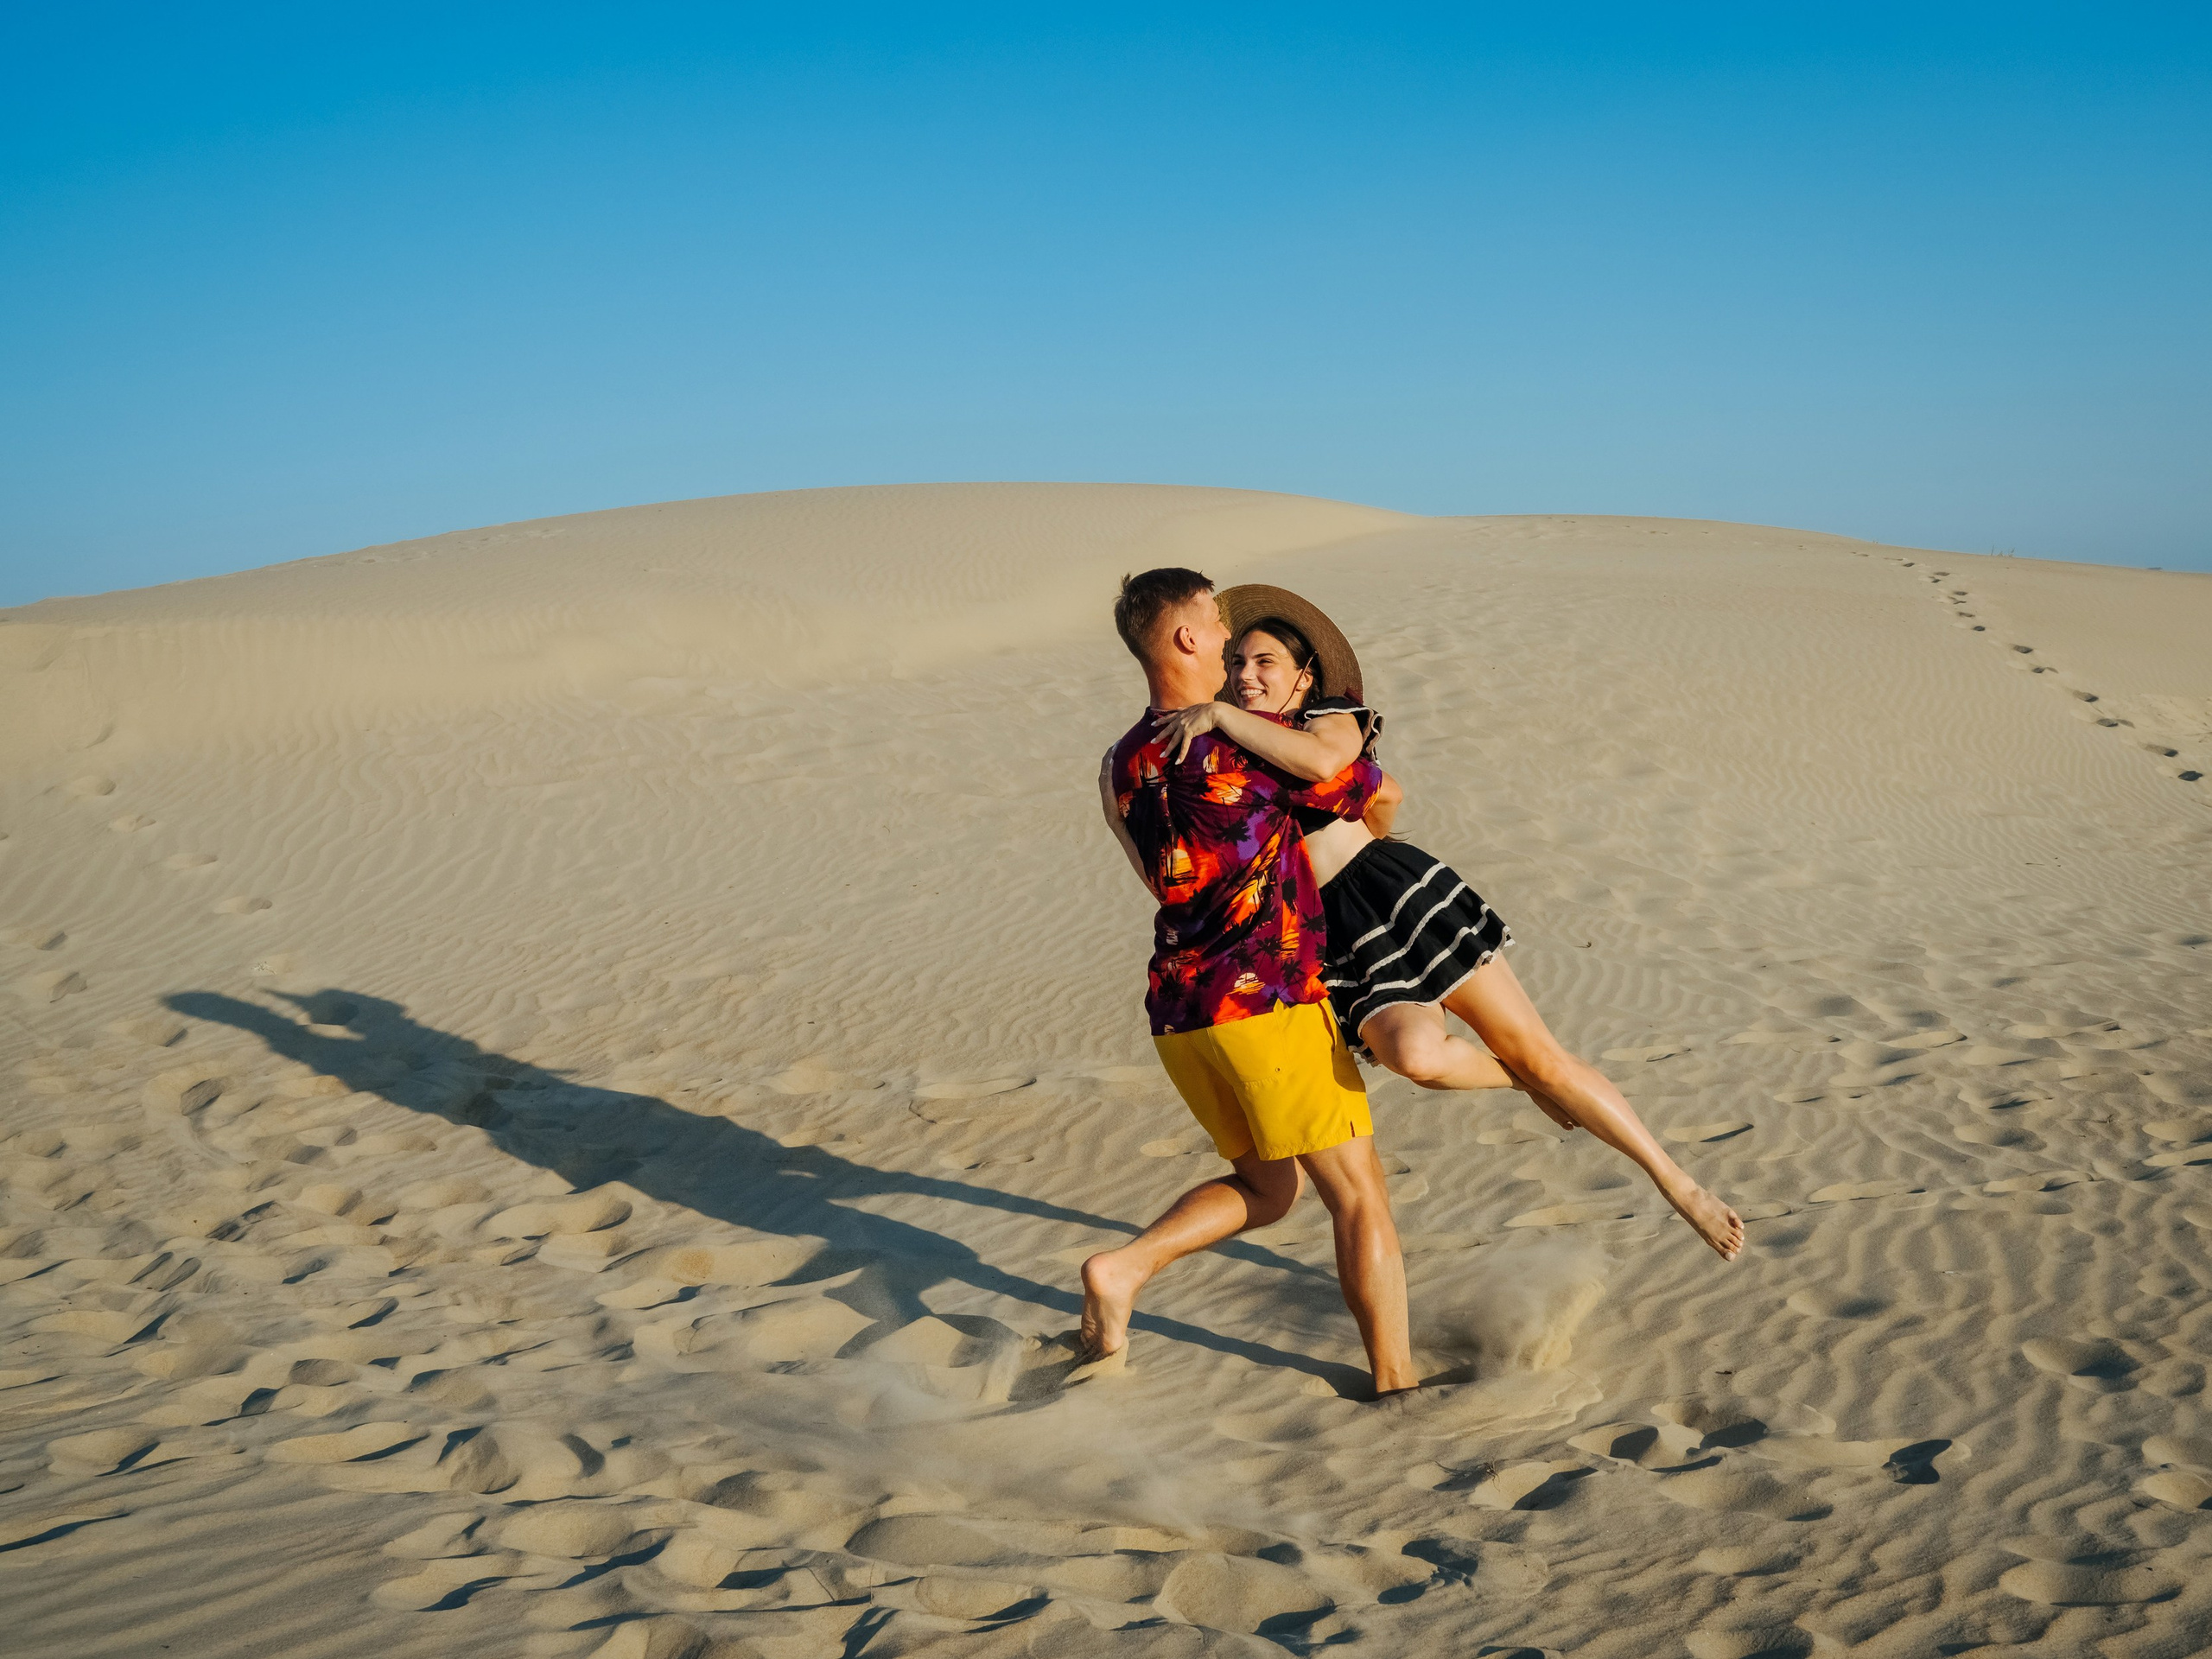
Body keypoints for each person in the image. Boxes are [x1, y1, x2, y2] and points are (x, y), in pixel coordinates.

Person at [1151, 583, 1744, 1262]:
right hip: (1328, 933)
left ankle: (1677, 1183)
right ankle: (1524, 1080)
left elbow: (1368, 784)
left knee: (1541, 1052)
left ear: (1304, 676)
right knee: (1415, 1057)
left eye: (1265, 663)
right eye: (1237, 664)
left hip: (1393, 894)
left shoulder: (1328, 717)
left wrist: (1229, 722)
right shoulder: (1229, 741)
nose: (1245, 676)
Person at [1085, 567, 1423, 1396]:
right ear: (1187, 638)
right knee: (1358, 1197)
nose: (1229, 638)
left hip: (1180, 1012)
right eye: (1216, 620)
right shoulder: (1242, 742)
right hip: (1267, 1000)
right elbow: (1379, 795)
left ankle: (1124, 1268)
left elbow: (1156, 879)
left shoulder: (1120, 762)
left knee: (1270, 1190)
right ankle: (1397, 1385)